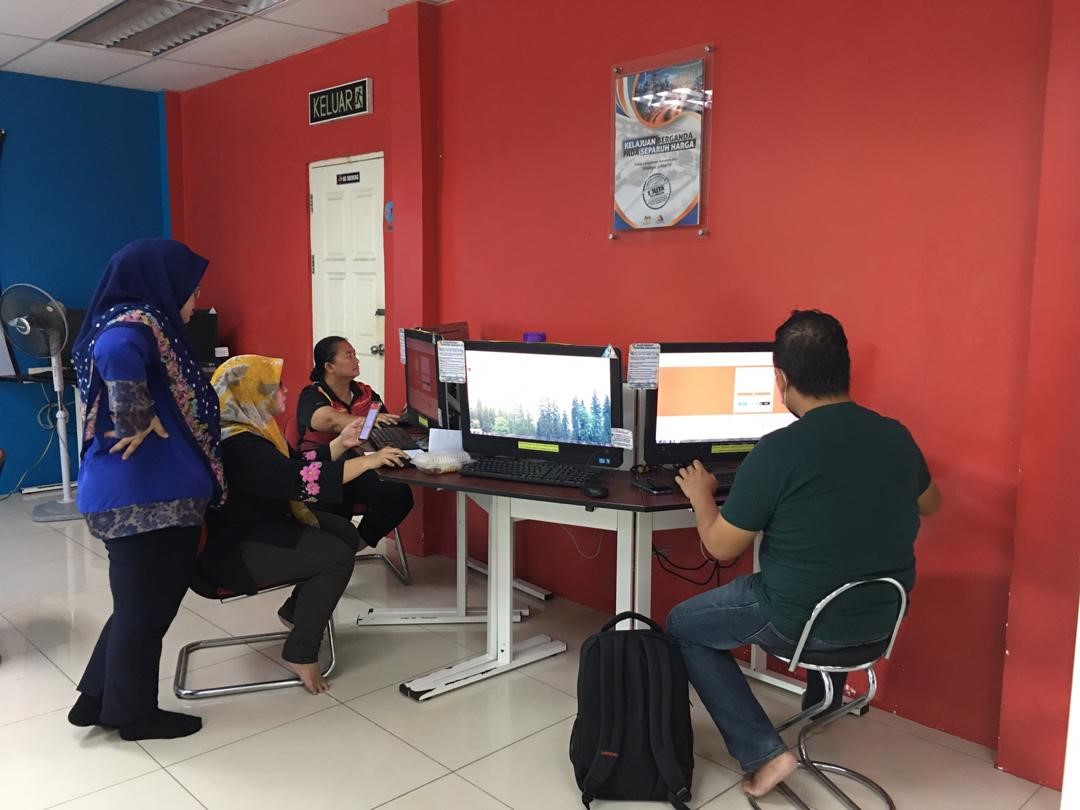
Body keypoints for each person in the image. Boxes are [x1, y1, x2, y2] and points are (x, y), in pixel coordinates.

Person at [666, 310, 942, 798]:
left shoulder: (777, 451)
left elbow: (720, 548)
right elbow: (931, 503)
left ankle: (763, 753)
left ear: (781, 379)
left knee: (684, 625)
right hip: (880, 621)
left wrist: (701, 495)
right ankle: (825, 703)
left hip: (801, 623)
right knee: (829, 570)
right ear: (844, 371)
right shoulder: (896, 435)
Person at [68, 238, 226, 741]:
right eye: (191, 289)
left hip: (143, 499)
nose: (196, 300)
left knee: (137, 607)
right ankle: (135, 716)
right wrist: (134, 413)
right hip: (146, 503)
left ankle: (97, 698)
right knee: (145, 612)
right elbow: (117, 350)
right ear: (163, 284)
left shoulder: (126, 320)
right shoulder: (135, 321)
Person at [205, 354, 409, 694]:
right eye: (276, 386)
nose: (285, 390)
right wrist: (367, 462)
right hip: (236, 546)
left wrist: (341, 444)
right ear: (252, 394)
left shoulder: (253, 429)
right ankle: (300, 651)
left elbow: (297, 463)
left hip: (261, 523)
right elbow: (300, 481)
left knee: (344, 533)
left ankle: (296, 610)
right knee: (337, 557)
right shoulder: (240, 444)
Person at [294, 336, 413, 548]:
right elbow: (329, 420)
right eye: (349, 356)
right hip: (323, 465)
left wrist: (406, 418)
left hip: (362, 464)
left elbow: (383, 424)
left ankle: (354, 546)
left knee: (398, 495)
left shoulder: (365, 393)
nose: (356, 360)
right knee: (338, 495)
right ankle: (331, 552)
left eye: (355, 355)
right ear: (329, 366)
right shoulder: (312, 395)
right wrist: (366, 421)